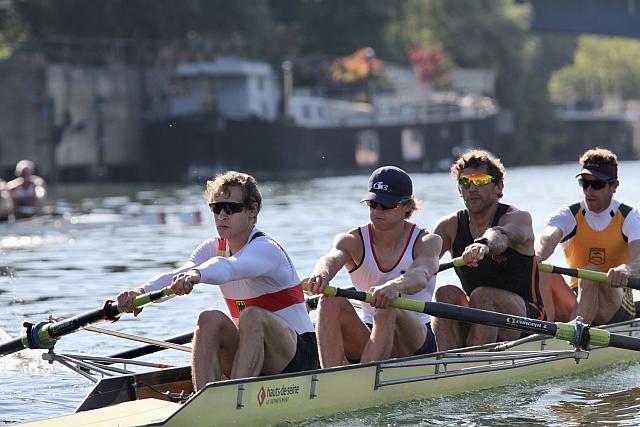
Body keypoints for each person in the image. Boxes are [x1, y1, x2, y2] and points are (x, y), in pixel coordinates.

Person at [117, 171, 318, 391]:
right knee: (208, 319)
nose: (222, 215)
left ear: (253, 210)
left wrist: (197, 276)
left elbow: (230, 267)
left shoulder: (266, 249)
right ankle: (204, 398)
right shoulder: (212, 248)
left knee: (252, 315)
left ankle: (234, 398)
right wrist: (139, 292)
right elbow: (177, 274)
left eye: (232, 208)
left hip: (299, 357)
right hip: (253, 354)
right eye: (216, 207)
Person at [306, 166, 441, 368]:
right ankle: (328, 379)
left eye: (386, 205)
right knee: (329, 301)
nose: (377, 210)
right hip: (370, 334)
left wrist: (394, 286)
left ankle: (363, 382)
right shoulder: (352, 240)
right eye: (373, 204)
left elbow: (421, 275)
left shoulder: (427, 241)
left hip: (414, 339)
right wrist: (321, 274)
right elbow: (330, 258)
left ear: (407, 206)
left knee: (387, 304)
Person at [432, 150, 545, 351]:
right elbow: (421, 260)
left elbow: (501, 236)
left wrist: (483, 245)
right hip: (481, 319)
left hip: (528, 319)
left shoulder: (518, 218)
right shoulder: (448, 227)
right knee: (445, 293)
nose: (472, 187)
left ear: (498, 186)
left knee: (482, 295)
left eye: (481, 180)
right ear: (459, 190)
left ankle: (472, 367)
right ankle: (445, 364)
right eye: (465, 182)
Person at [535, 148, 640, 325]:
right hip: (579, 297)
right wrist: (537, 255)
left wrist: (626, 269)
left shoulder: (630, 217)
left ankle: (573, 335)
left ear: (614, 186)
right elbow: (548, 237)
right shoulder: (567, 215)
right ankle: (544, 333)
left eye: (597, 184)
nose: (589, 191)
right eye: (584, 183)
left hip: (617, 302)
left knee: (590, 273)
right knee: (543, 271)